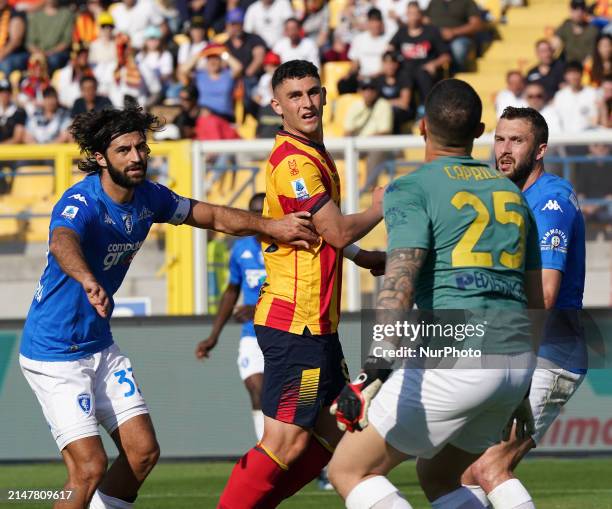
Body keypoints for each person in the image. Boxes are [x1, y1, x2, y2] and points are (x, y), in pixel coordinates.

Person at [18, 106, 318, 509]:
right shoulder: (81, 201)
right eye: (124, 150)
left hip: (98, 345)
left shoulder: (150, 198)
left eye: (141, 147)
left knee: (142, 453)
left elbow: (209, 214)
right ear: (101, 158)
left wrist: (272, 226)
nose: (137, 157)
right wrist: (88, 279)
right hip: (54, 353)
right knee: (88, 468)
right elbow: (62, 242)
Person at [327, 79, 543, 508]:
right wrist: (521, 389)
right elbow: (533, 300)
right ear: (480, 131)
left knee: (349, 470)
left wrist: (371, 374)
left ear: (422, 127)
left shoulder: (411, 187)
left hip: (458, 352)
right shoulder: (512, 195)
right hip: (514, 359)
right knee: (439, 474)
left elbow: (399, 284)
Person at [218, 59, 386, 508]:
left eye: (313, 92)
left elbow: (319, 236)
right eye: (295, 96)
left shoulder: (314, 153)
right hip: (297, 325)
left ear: (325, 95)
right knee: (284, 443)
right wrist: (380, 207)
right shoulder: (295, 162)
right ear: (277, 106)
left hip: (318, 325)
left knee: (341, 433)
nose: (307, 102)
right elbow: (337, 231)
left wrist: (364, 257)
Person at [462, 106, 586, 509]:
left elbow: (546, 295)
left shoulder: (550, 201)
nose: (504, 149)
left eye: (517, 140)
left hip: (549, 352)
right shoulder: (506, 198)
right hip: (514, 349)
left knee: (488, 468)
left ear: (540, 150)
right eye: (499, 139)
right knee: (464, 471)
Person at [196, 193, 267, 440]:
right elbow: (232, 290)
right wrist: (213, 336)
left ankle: (318, 465)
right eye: (254, 212)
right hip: (252, 334)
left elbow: (299, 292)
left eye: (263, 211)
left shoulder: (286, 247)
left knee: (291, 400)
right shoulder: (241, 248)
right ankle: (269, 460)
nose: (259, 217)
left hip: (284, 331)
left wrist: (258, 309)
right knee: (257, 390)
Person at [424, 0, 484, 72]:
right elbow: (425, 21)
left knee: (458, 47)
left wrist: (453, 32)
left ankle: (457, 74)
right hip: (436, 39)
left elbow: (476, 25)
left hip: (460, 38)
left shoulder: (467, 2)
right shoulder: (434, 2)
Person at [552, 0, 599, 65]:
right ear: (570, 10)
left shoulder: (593, 30)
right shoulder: (565, 26)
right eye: (575, 8)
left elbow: (592, 56)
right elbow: (554, 45)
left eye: (582, 8)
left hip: (586, 69)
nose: (579, 12)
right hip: (567, 68)